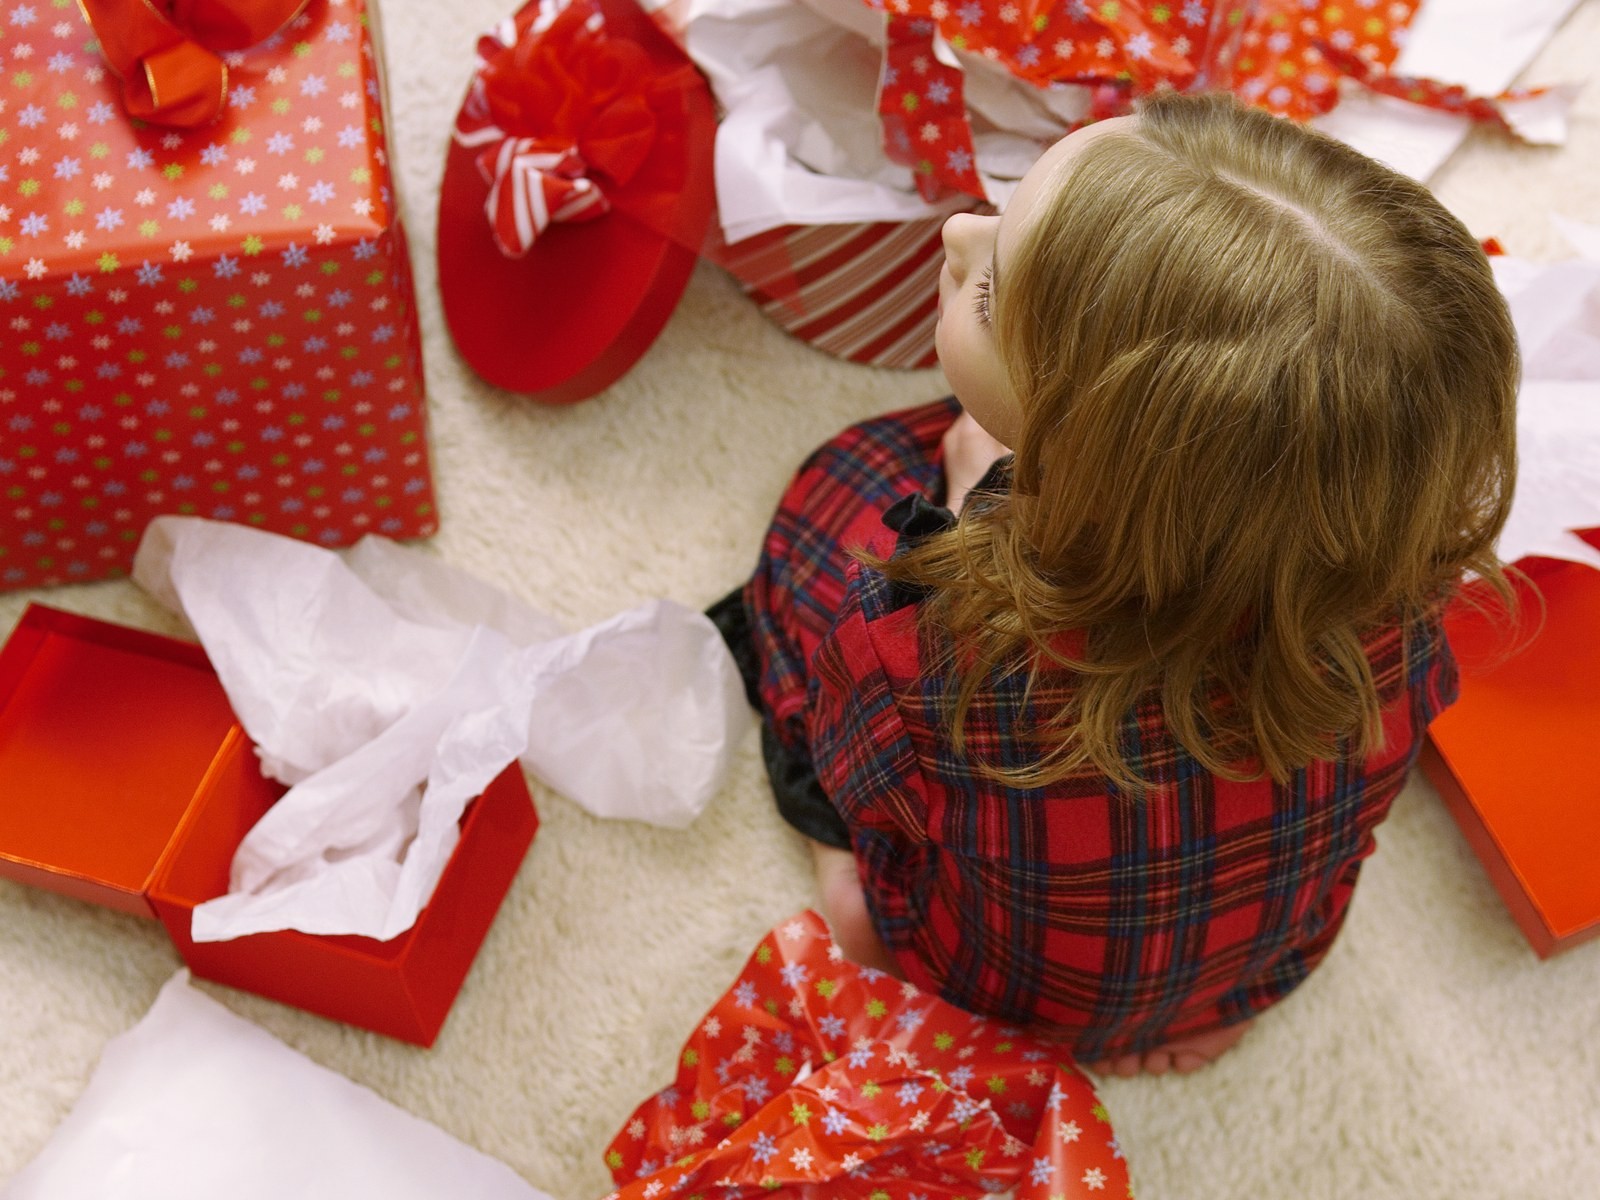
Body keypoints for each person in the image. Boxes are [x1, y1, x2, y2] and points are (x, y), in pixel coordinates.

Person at [710, 91, 1518, 1076]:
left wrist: (968, 509)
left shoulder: (933, 664)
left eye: (989, 295)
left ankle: (855, 915)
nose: (960, 231)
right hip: (1256, 973)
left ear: (1103, 461)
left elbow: (862, 784)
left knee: (836, 500)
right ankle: (1189, 1016)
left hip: (993, 991)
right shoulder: (1406, 596)